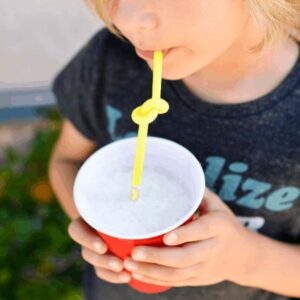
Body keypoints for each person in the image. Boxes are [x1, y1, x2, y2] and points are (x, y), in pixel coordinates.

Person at [48, 0, 300, 299]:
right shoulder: (111, 59)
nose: (125, 19)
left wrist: (247, 260)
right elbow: (66, 160)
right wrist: (98, 231)